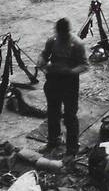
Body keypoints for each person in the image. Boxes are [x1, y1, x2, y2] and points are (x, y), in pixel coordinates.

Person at [38, 18, 88, 158]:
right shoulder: (52, 40)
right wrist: (41, 61)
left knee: (70, 116)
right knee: (52, 113)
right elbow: (44, 55)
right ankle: (53, 141)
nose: (61, 36)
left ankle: (72, 149)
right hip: (53, 81)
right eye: (59, 34)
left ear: (68, 31)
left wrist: (70, 71)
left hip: (69, 83)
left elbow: (84, 65)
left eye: (64, 34)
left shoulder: (77, 44)